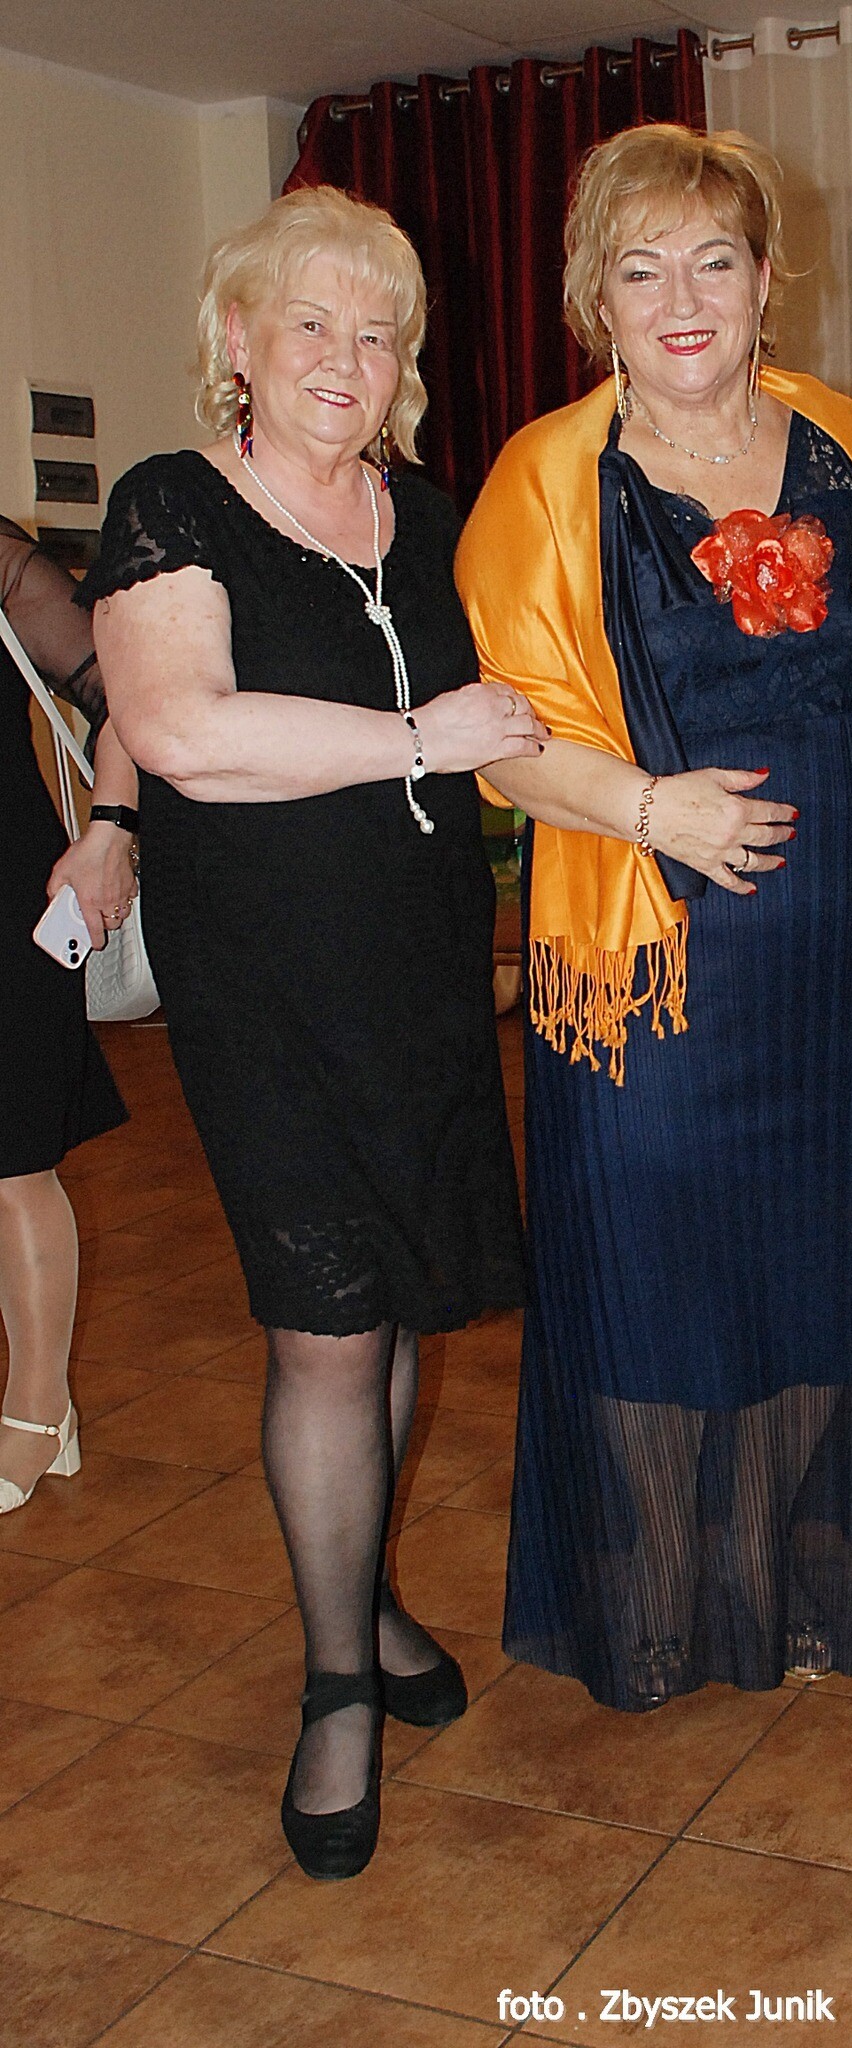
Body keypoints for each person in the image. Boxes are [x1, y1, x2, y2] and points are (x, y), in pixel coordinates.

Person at [457, 124, 852, 1715]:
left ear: (764, 279)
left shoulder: (848, 439)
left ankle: (785, 1589)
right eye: (641, 271)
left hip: (847, 962)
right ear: (594, 301)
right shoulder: (548, 479)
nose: (681, 300)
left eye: (713, 263)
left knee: (831, 1275)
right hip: (656, 975)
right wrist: (647, 810)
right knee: (654, 1289)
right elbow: (500, 737)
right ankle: (665, 1612)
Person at [85, 187, 536, 1880]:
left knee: (399, 1297)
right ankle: (337, 1679)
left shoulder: (435, 517)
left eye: (379, 330)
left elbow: (535, 695)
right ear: (238, 341)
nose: (347, 358)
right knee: (329, 1327)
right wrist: (423, 735)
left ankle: (368, 1596)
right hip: (265, 983)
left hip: (419, 967)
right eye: (311, 323)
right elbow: (181, 727)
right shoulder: (174, 500)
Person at [0, 520, 133, 1514]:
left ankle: (40, 1410)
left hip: (9, 901)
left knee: (12, 1164)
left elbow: (121, 691)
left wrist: (109, 832)